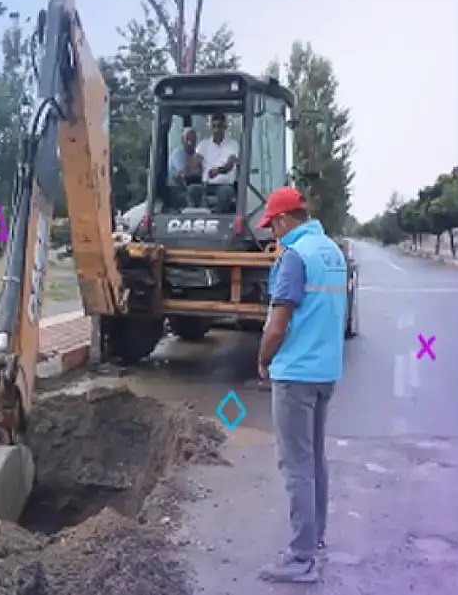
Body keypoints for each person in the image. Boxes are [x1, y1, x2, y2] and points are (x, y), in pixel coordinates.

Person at [254, 187, 347, 584]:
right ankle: (315, 539)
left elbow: (278, 324)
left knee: (296, 465)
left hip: (295, 375)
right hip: (326, 372)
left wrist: (262, 358)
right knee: (314, 461)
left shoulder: (294, 257)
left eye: (272, 226)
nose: (273, 235)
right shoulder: (332, 251)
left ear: (283, 219)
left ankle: (300, 557)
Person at [198, 112, 239, 212]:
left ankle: (217, 220)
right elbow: (196, 162)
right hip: (207, 185)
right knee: (193, 190)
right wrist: (185, 171)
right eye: (214, 126)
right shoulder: (203, 145)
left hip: (225, 185)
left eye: (219, 126)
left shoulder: (233, 144)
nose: (216, 130)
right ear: (210, 128)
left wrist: (219, 171)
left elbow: (230, 164)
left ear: (225, 127)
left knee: (224, 193)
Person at [167, 127, 205, 208]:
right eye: (187, 139)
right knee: (195, 191)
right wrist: (196, 165)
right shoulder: (178, 154)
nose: (190, 142)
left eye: (193, 139)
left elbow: (202, 172)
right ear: (182, 140)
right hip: (175, 190)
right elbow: (184, 175)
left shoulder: (197, 155)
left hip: (190, 189)